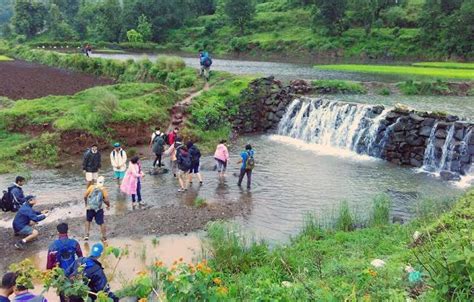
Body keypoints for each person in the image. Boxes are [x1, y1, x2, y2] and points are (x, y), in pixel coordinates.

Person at [46, 223, 83, 302]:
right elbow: (80, 258)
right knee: (77, 293)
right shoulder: (74, 243)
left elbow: (49, 265)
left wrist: (51, 276)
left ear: (58, 232)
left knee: (63, 296)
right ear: (67, 231)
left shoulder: (53, 246)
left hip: (60, 276)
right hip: (73, 274)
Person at [84, 176, 110, 242]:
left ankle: (86, 235)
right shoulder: (103, 189)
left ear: (96, 181)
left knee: (88, 220)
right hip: (99, 208)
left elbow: (85, 196)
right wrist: (108, 205)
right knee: (101, 222)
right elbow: (106, 200)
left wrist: (86, 204)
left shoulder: (91, 187)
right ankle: (104, 237)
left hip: (90, 207)